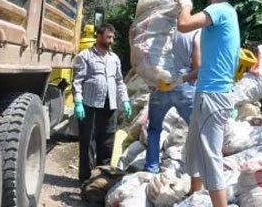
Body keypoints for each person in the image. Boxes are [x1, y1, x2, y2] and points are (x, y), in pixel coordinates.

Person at [175, 0, 243, 207]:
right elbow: (222, 63)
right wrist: (182, 79)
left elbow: (184, 25)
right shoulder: (230, 15)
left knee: (210, 157)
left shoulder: (218, 9)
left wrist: (185, 3)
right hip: (213, 92)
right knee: (193, 148)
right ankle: (195, 197)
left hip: (212, 97)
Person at [72, 23, 132, 183]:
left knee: (107, 142)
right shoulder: (85, 56)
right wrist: (78, 102)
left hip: (109, 106)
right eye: (108, 37)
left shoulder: (114, 58)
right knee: (88, 143)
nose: (111, 40)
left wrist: (125, 100)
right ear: (98, 36)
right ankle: (85, 179)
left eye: (112, 37)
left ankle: (101, 178)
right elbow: (77, 81)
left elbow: (119, 81)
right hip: (89, 105)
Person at [143, 29, 201, 174]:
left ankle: (152, 167)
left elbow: (148, 58)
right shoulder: (194, 33)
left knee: (154, 129)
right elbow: (197, 65)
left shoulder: (159, 30)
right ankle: (198, 169)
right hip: (183, 84)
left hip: (160, 84)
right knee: (197, 129)